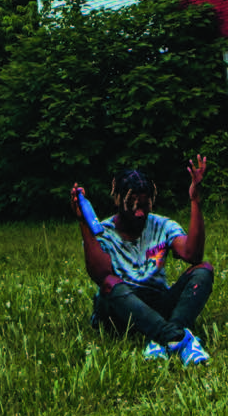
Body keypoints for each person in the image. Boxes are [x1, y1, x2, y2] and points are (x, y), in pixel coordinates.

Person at [71, 155, 214, 365]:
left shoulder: (161, 225)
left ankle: (164, 336)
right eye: (133, 206)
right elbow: (100, 275)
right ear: (119, 201)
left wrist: (195, 201)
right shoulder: (103, 232)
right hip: (119, 313)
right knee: (110, 284)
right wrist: (84, 223)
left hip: (156, 304)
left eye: (145, 206)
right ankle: (177, 338)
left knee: (204, 270)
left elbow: (193, 255)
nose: (139, 213)